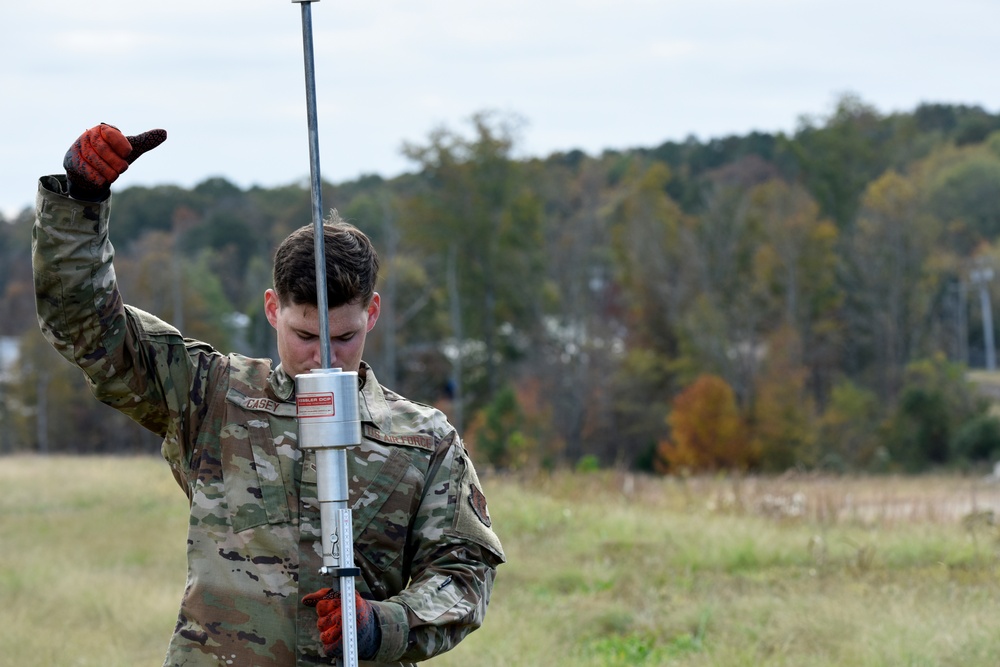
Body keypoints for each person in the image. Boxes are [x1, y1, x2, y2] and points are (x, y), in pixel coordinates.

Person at [32, 123, 505, 666]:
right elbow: (85, 327)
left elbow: (464, 575)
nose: (324, 357)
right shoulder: (209, 394)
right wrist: (81, 205)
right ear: (271, 309)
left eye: (344, 336)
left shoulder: (423, 442)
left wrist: (382, 625)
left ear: (372, 312)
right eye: (305, 336)